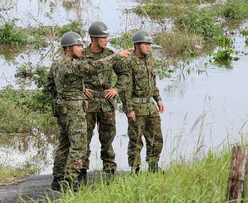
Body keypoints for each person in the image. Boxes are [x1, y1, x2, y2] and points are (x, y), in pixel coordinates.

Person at [46, 31, 130, 191]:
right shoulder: (71, 64)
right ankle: (70, 181)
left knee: (64, 144)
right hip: (74, 109)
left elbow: (50, 85)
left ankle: (57, 179)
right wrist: (117, 55)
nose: (80, 48)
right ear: (68, 48)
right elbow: (93, 67)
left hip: (63, 108)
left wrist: (65, 95)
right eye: (77, 46)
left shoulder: (57, 64)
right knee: (79, 145)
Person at [80, 21, 129, 182]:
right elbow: (73, 74)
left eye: (107, 37)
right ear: (93, 38)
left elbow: (124, 74)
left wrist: (116, 89)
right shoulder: (82, 55)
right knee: (84, 137)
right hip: (88, 103)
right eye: (103, 37)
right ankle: (81, 171)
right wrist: (81, 88)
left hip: (106, 103)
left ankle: (109, 170)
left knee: (108, 137)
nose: (106, 40)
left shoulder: (110, 53)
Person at [121, 30, 165, 173]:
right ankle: (135, 169)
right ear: (137, 45)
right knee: (136, 140)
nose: (148, 47)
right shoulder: (129, 62)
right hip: (136, 106)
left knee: (156, 138)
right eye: (146, 44)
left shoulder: (149, 59)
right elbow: (125, 88)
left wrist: (158, 99)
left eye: (149, 44)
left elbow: (152, 81)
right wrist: (129, 109)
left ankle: (153, 166)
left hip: (150, 106)